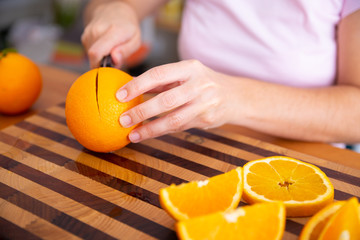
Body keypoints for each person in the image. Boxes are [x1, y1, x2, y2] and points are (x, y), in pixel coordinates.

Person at [81, 0, 360, 146]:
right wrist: (113, 10)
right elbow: (113, 4)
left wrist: (237, 100)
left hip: (301, 161)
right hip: (195, 147)